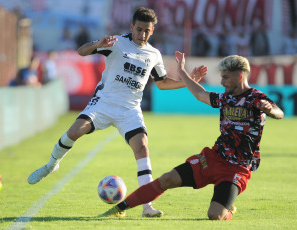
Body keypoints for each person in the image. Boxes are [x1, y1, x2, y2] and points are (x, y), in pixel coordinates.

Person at [27, 7, 207, 218]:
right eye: (139, 29)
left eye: (147, 31)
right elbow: (81, 51)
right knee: (75, 132)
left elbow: (162, 83)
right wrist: (97, 45)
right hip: (104, 103)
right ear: (131, 26)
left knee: (142, 148)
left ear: (153, 30)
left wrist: (188, 81)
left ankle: (147, 206)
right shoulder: (116, 43)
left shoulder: (154, 54)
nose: (142, 35)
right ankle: (51, 165)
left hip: (129, 110)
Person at [98, 53, 284, 220]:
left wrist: (270, 110)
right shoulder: (225, 98)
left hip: (236, 169)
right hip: (213, 158)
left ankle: (227, 210)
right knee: (167, 179)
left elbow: (279, 112)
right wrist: (182, 72)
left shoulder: (256, 98)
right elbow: (200, 93)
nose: (222, 82)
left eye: (225, 77)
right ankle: (119, 208)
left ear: (240, 76)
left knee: (215, 215)